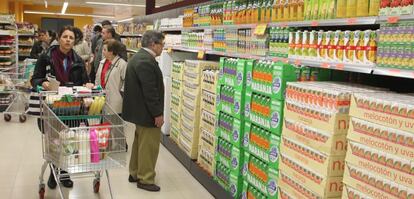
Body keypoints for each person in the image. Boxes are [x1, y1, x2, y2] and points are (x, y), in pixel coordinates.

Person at [31, 26, 93, 189]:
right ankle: (53, 171)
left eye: (71, 38)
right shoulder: (46, 57)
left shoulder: (78, 60)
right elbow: (35, 78)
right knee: (54, 141)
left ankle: (64, 172)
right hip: (52, 105)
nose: (68, 40)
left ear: (74, 41)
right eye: (65, 37)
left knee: (68, 140)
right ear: (59, 38)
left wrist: (87, 84)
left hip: (71, 106)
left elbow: (84, 80)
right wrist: (42, 82)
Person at [122, 30, 165, 192]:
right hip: (147, 113)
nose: (163, 48)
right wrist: (157, 114)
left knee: (139, 144)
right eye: (162, 44)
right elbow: (150, 91)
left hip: (139, 112)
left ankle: (134, 173)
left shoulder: (138, 57)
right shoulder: (146, 61)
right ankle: (145, 179)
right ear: (153, 44)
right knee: (149, 147)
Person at [95, 39, 126, 115]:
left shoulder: (122, 64)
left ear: (111, 52)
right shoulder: (102, 62)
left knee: (114, 124)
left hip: (115, 102)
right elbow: (98, 79)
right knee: (103, 124)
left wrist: (120, 94)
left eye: (104, 50)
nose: (102, 51)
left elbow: (127, 81)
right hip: (101, 100)